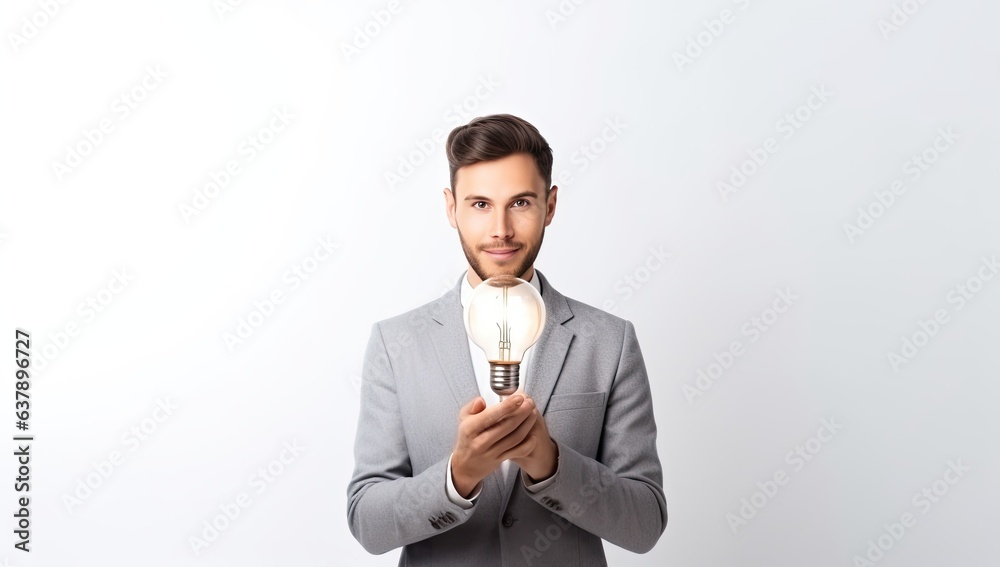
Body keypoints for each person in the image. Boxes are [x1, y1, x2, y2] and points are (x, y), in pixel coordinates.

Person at [347, 114, 666, 565]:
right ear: (451, 207)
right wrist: (458, 477)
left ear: (550, 206)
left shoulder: (609, 342)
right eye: (479, 204)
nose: (500, 229)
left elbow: (645, 523)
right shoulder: (397, 344)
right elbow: (367, 522)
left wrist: (549, 462)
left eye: (519, 203)